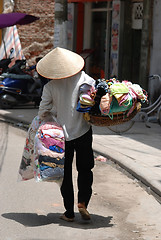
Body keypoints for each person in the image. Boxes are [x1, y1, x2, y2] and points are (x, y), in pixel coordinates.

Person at [36, 47, 95, 222]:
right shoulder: (87, 79)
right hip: (83, 130)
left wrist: (51, 117)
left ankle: (69, 212)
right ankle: (83, 202)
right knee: (85, 168)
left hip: (61, 136)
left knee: (65, 173)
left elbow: (42, 112)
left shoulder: (51, 86)